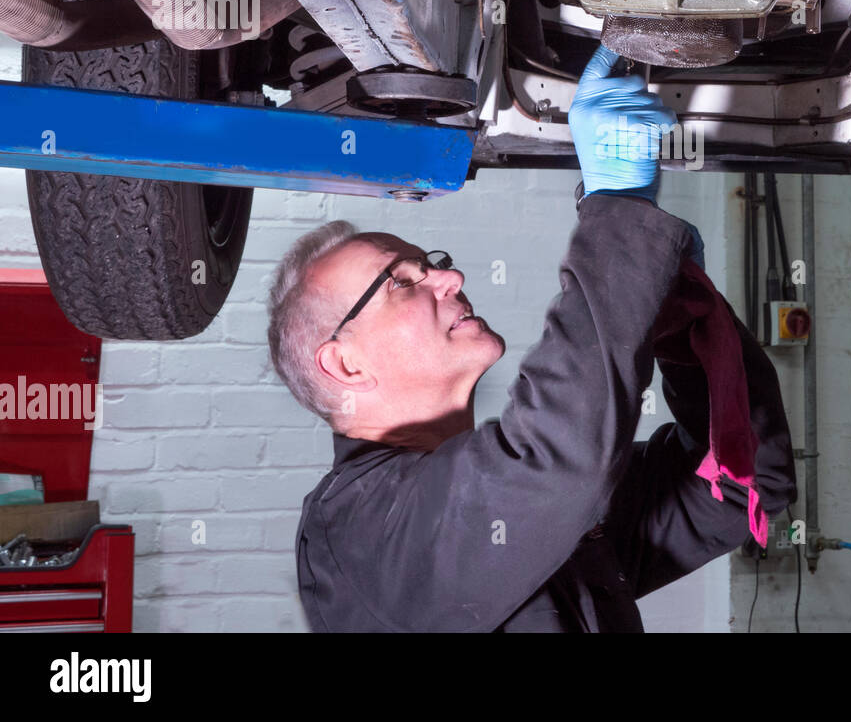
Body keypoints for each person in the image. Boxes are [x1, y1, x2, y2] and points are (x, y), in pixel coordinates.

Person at [268, 43, 797, 631]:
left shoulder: (522, 506)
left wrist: (679, 318)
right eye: (401, 280)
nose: (450, 278)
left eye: (432, 262)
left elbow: (742, 485)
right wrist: (619, 213)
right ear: (344, 364)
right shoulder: (356, 533)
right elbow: (554, 462)